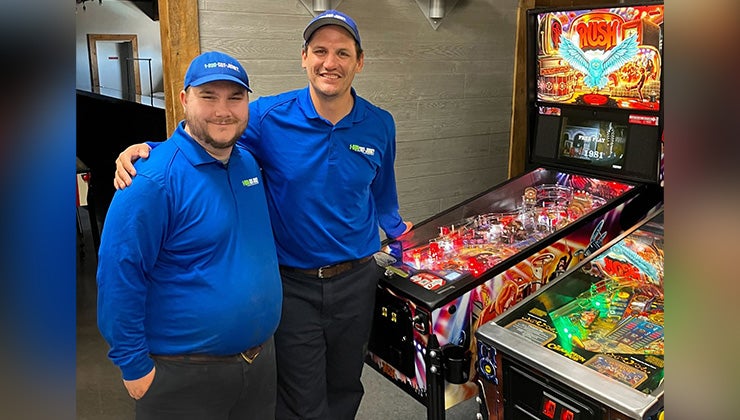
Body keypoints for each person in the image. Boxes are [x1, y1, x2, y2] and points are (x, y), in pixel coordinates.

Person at [113, 10, 413, 419]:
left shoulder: (380, 124)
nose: (331, 62)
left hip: (358, 279)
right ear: (303, 58)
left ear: (359, 61)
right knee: (300, 397)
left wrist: (396, 228)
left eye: (342, 53)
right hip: (294, 284)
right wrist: (145, 151)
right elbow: (207, 136)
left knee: (347, 385)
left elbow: (383, 192)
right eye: (320, 51)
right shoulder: (268, 117)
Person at [97, 51, 283, 420]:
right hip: (183, 377)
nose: (223, 110)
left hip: (259, 364)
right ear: (184, 100)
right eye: (208, 96)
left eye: (235, 97)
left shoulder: (246, 162)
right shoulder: (149, 181)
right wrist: (134, 366)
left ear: (249, 103)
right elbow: (119, 274)